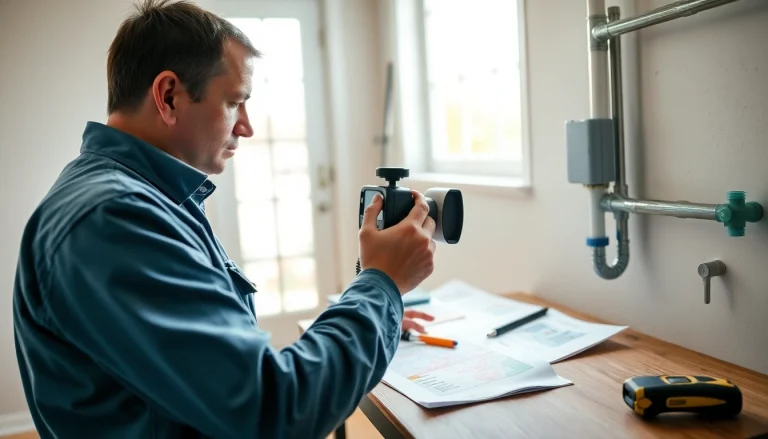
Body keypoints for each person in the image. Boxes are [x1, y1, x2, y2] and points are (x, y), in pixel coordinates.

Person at [12, 0, 437, 438]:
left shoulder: (147, 199)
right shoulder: (113, 220)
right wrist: (381, 285)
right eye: (236, 102)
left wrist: (366, 308)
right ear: (169, 95)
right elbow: (273, 410)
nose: (247, 127)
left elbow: (223, 372)